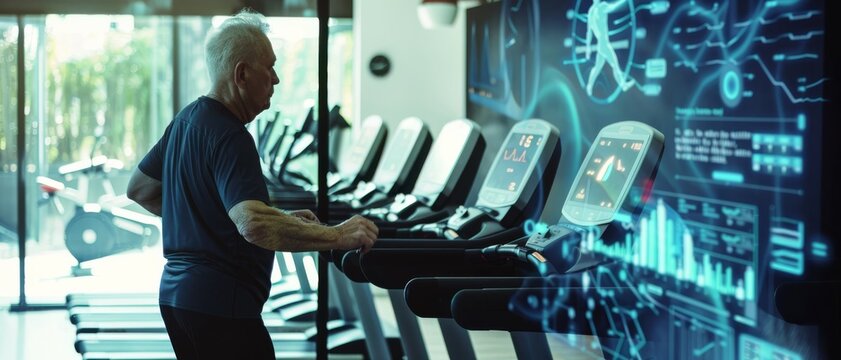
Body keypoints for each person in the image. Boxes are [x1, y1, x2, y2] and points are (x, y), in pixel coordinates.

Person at [126, 9, 378, 360]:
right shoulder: (232, 136)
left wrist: (226, 222)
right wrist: (339, 235)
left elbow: (140, 189)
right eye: (270, 67)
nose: (276, 79)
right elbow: (253, 224)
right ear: (242, 73)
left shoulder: (186, 121)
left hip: (177, 298)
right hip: (220, 305)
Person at [585, 0, 635, 96]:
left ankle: (589, 86)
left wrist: (588, 48)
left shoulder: (591, 11)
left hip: (601, 44)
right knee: (615, 66)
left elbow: (589, 33)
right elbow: (614, 7)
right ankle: (623, 85)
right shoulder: (601, 7)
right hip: (604, 44)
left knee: (597, 67)